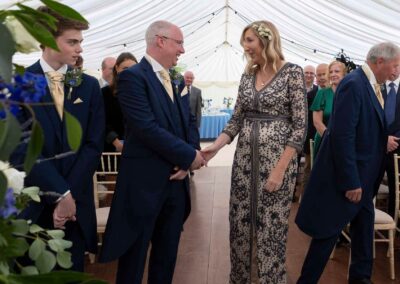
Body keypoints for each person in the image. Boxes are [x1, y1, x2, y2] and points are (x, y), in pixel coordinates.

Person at [99, 20, 205, 284]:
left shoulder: (177, 78)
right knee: (134, 259)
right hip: (144, 186)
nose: (182, 49)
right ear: (160, 40)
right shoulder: (132, 78)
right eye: (178, 43)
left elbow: (189, 121)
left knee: (167, 256)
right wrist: (188, 157)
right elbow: (146, 127)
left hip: (176, 184)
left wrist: (190, 154)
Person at [202, 20, 307, 283]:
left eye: (249, 40)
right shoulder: (248, 75)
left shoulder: (292, 73)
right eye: (244, 41)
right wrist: (213, 148)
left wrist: (280, 171)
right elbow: (237, 118)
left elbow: (299, 128)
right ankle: (240, 278)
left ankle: (271, 278)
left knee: (271, 227)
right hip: (244, 164)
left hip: (277, 166)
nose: (245, 46)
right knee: (240, 223)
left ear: (266, 40)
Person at [295, 42, 400, 284]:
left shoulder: (372, 85)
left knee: (363, 236)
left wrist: (381, 140)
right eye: (394, 66)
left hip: (366, 179)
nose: (396, 71)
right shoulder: (354, 84)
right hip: (350, 181)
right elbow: (342, 137)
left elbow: (362, 127)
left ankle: (361, 279)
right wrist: (351, 181)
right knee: (328, 233)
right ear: (380, 62)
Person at [12, 6, 105, 271]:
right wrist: (59, 193)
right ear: (47, 39)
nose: (80, 49)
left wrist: (69, 197)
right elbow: (22, 149)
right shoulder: (19, 83)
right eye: (72, 42)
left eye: (81, 42)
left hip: (75, 209)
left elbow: (93, 145)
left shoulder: (88, 85)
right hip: (34, 206)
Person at [376, 68, 400, 218]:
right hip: (377, 146)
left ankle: (393, 222)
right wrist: (384, 139)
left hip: (398, 148)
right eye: (393, 65)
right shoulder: (376, 88)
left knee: (395, 188)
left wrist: (394, 139)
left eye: (398, 65)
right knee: (369, 185)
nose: (395, 69)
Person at [311, 60, 347, 158]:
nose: (333, 74)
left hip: (346, 143)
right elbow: (317, 122)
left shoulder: (350, 94)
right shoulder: (322, 93)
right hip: (324, 141)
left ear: (344, 74)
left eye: (337, 71)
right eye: (330, 72)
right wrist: (330, 139)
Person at [102, 52, 138, 152]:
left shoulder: (143, 92)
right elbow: (101, 121)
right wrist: (116, 142)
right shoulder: (105, 93)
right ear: (117, 68)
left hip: (138, 148)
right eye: (125, 68)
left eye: (133, 68)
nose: (130, 72)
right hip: (112, 150)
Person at [301, 65, 318, 191]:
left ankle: (305, 194)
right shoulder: (296, 88)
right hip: (297, 131)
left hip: (311, 133)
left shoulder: (318, 90)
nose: (309, 75)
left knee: (308, 165)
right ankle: (292, 195)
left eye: (312, 73)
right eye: (306, 72)